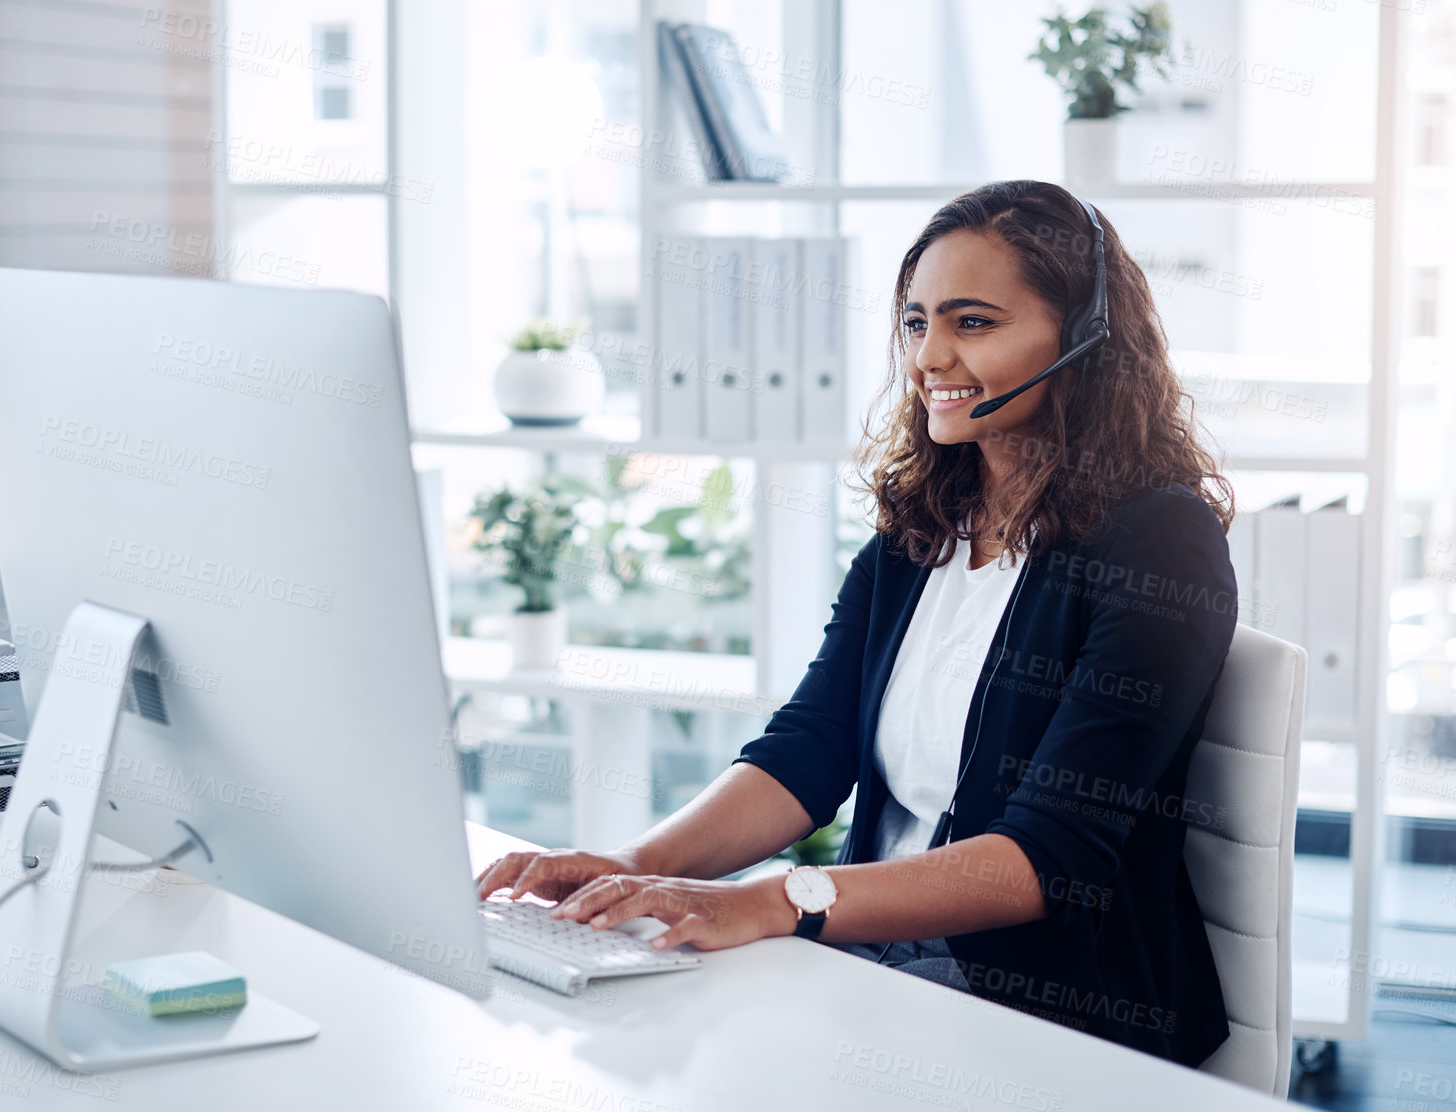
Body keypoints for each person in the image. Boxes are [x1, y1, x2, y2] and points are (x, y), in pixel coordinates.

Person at [475, 179, 1239, 1067]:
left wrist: (776, 900)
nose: (928, 358)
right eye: (915, 324)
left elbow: (1049, 859)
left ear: (1083, 340)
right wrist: (635, 865)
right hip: (875, 960)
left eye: (973, 323)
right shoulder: (922, 531)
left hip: (1047, 1010)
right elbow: (809, 749)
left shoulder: (1157, 543)